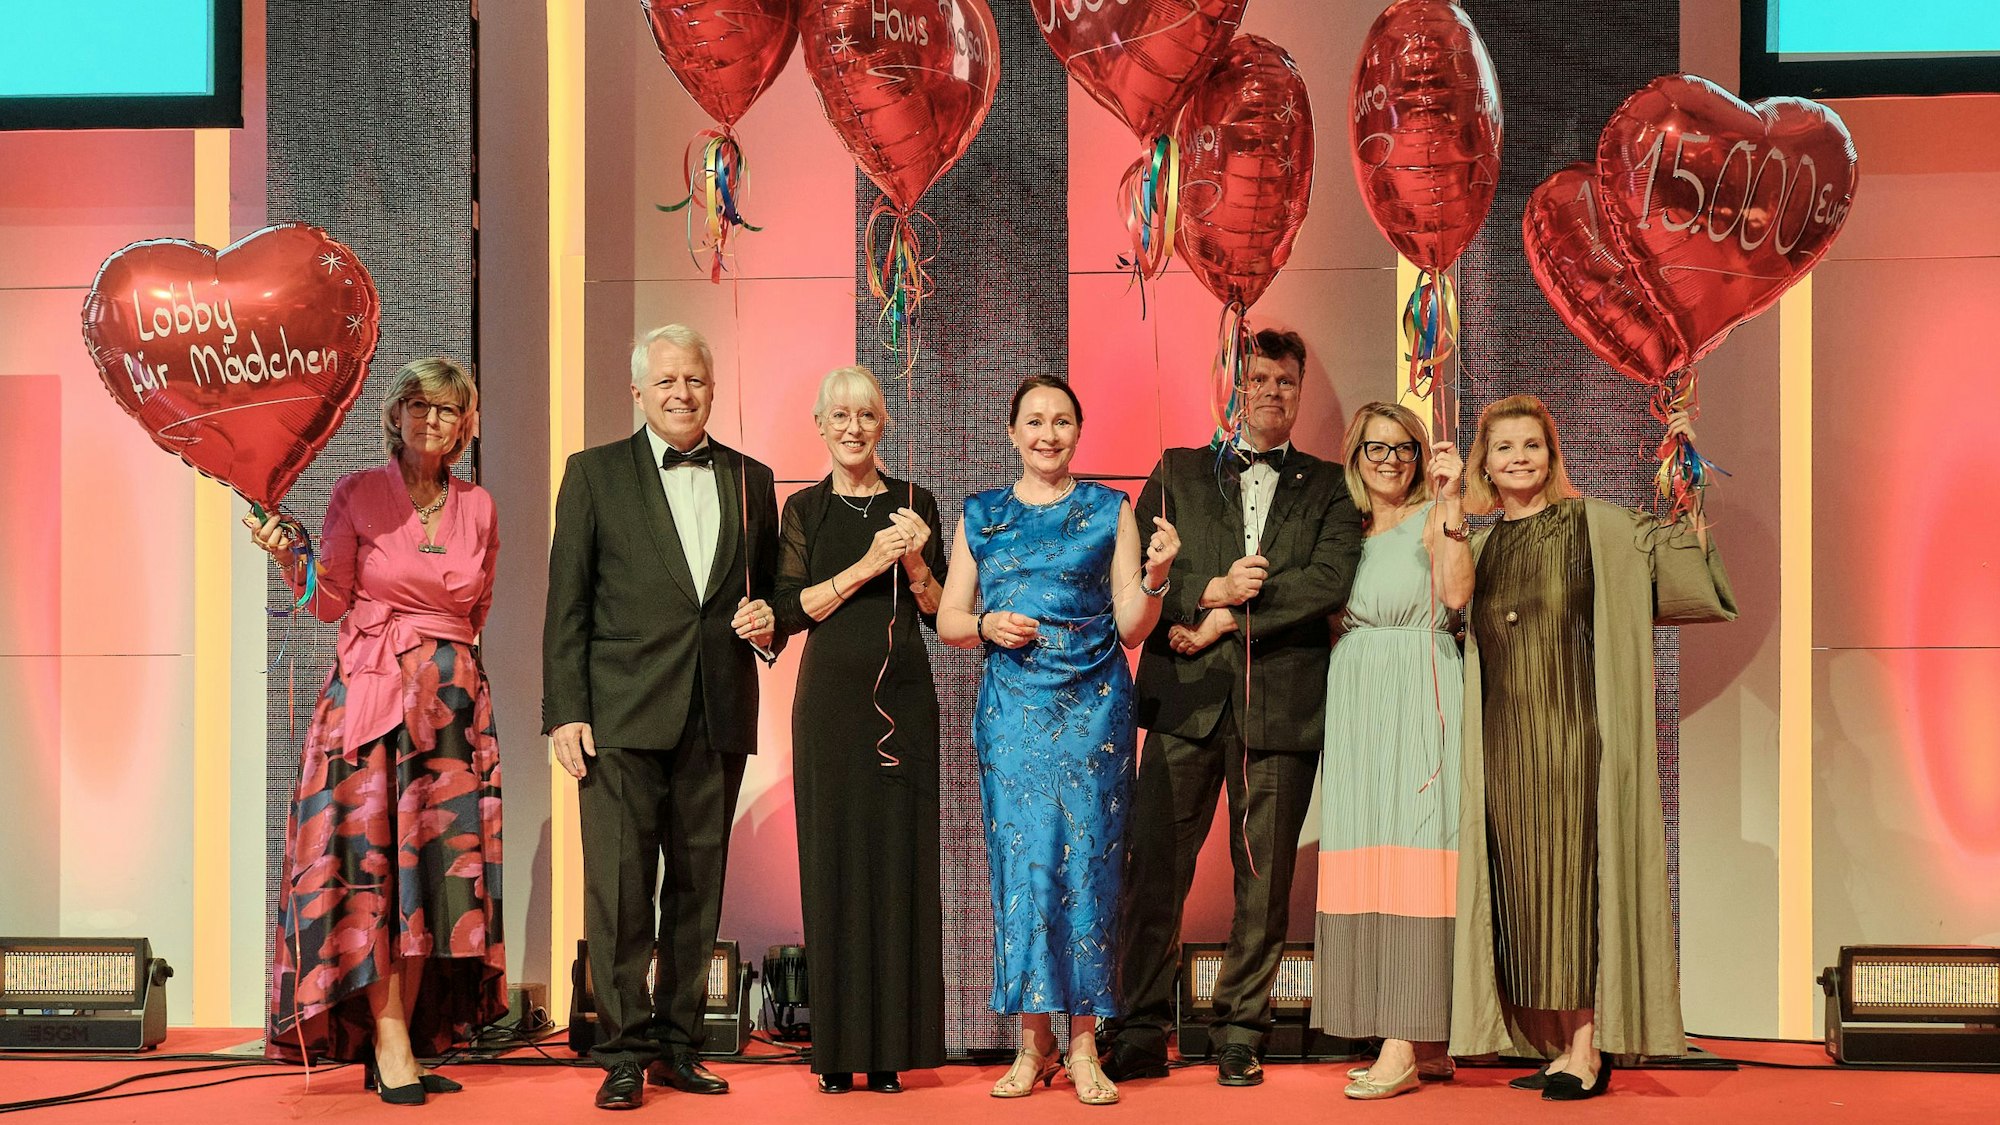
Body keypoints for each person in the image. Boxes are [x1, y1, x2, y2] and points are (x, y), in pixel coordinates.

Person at [1448, 394, 1735, 1102]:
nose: (1519, 457)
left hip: (1574, 736)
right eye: (1505, 447)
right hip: (1505, 742)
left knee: (1573, 887)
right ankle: (1551, 1040)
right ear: (1485, 462)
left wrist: (1685, 477)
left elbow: (1676, 559)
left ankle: (1586, 1047)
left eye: (1532, 446)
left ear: (1552, 457)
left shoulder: (1593, 525)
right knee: (1522, 893)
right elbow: (1451, 607)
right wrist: (1447, 502)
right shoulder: (1479, 545)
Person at [1099, 329, 1363, 1088]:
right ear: (1233, 386)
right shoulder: (1179, 472)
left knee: (1265, 879)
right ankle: (1141, 1027)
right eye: (1259, 379)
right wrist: (1208, 594)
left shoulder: (1331, 484)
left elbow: (1328, 580)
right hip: (1185, 704)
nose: (1273, 393)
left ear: (1300, 391)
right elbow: (1139, 573)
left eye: (1287, 382)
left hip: (1282, 709)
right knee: (1152, 873)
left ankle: (1243, 1028)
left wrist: (1233, 616)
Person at [542, 324, 782, 1112]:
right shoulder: (593, 473)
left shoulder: (754, 477)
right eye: (668, 381)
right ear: (637, 391)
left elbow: (768, 597)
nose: (683, 393)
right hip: (617, 712)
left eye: (696, 380)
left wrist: (769, 623)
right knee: (619, 888)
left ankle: (679, 1042)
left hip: (716, 708)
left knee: (696, 889)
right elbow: (566, 606)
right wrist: (565, 712)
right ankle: (621, 1047)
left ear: (712, 388)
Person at [254, 356, 504, 1106]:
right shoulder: (357, 492)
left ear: (465, 424)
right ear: (395, 415)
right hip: (368, 704)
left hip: (452, 709)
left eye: (449, 409)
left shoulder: (481, 506)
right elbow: (328, 600)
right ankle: (389, 1040)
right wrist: (288, 559)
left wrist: (445, 670)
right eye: (421, 406)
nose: (434, 419)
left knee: (433, 874)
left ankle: (410, 1039)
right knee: (371, 876)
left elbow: (478, 608)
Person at [938, 375, 1180, 1107]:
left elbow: (1134, 623)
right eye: (1035, 421)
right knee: (1026, 871)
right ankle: (1029, 1043)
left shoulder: (1111, 508)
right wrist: (985, 625)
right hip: (1012, 715)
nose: (1048, 433)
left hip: (1094, 713)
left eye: (1063, 421)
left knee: (1092, 873)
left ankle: (1081, 1044)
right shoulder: (981, 513)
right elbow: (949, 616)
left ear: (1080, 431)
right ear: (1011, 431)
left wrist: (1159, 576)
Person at [771, 365, 947, 1095]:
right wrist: (866, 563)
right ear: (819, 424)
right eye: (839, 414)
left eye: (866, 415)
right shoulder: (804, 511)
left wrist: (910, 559)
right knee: (834, 863)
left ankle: (891, 1052)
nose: (852, 426)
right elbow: (788, 607)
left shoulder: (916, 501)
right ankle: (836, 1051)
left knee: (899, 866)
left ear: (884, 425)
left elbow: (939, 609)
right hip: (829, 705)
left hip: (904, 699)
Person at [1311, 402, 1471, 1101]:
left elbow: (1459, 594)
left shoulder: (1436, 515)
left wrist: (1455, 501)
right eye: (1376, 448)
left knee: (1418, 851)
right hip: (1355, 694)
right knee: (1364, 854)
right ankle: (1422, 1038)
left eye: (1403, 447)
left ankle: (1405, 1038)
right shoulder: (1341, 530)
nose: (1390, 460)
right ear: (1356, 455)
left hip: (1420, 684)